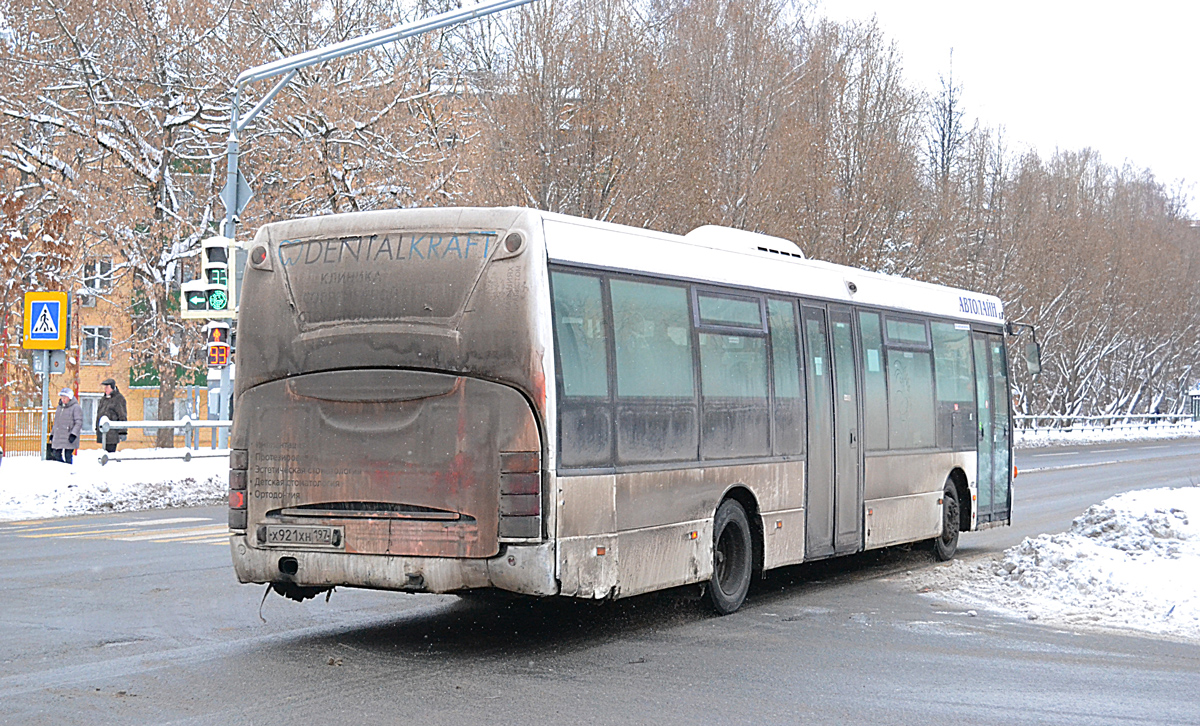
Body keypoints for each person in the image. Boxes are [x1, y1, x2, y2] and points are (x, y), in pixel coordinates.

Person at [49, 388, 83, 464]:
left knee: (68, 455)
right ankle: (62, 468)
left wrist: (73, 434)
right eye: (62, 398)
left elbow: (78, 422)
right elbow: (56, 422)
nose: (63, 400)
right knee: (56, 454)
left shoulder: (75, 407)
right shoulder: (59, 407)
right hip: (59, 435)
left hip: (69, 435)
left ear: (69, 398)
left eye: (65, 398)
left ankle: (69, 470)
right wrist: (52, 434)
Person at [96, 378, 128, 453]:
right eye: (105, 387)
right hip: (103, 432)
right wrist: (97, 428)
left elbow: (122, 415)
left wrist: (123, 432)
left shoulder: (118, 399)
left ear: (112, 387)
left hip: (113, 433)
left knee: (110, 453)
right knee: (104, 453)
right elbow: (99, 414)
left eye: (107, 387)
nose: (105, 389)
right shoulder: (103, 399)